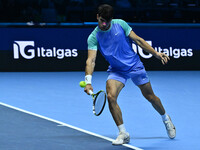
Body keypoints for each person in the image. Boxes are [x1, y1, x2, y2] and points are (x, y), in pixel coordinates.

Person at [84, 4, 176, 145]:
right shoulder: (93, 37)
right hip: (116, 70)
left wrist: (155, 53)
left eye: (106, 21)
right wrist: (88, 81)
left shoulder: (120, 25)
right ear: (97, 17)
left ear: (111, 19)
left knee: (150, 97)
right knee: (111, 96)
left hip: (134, 66)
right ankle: (123, 133)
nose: (103, 24)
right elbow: (91, 60)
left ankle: (166, 118)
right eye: (101, 20)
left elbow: (138, 40)